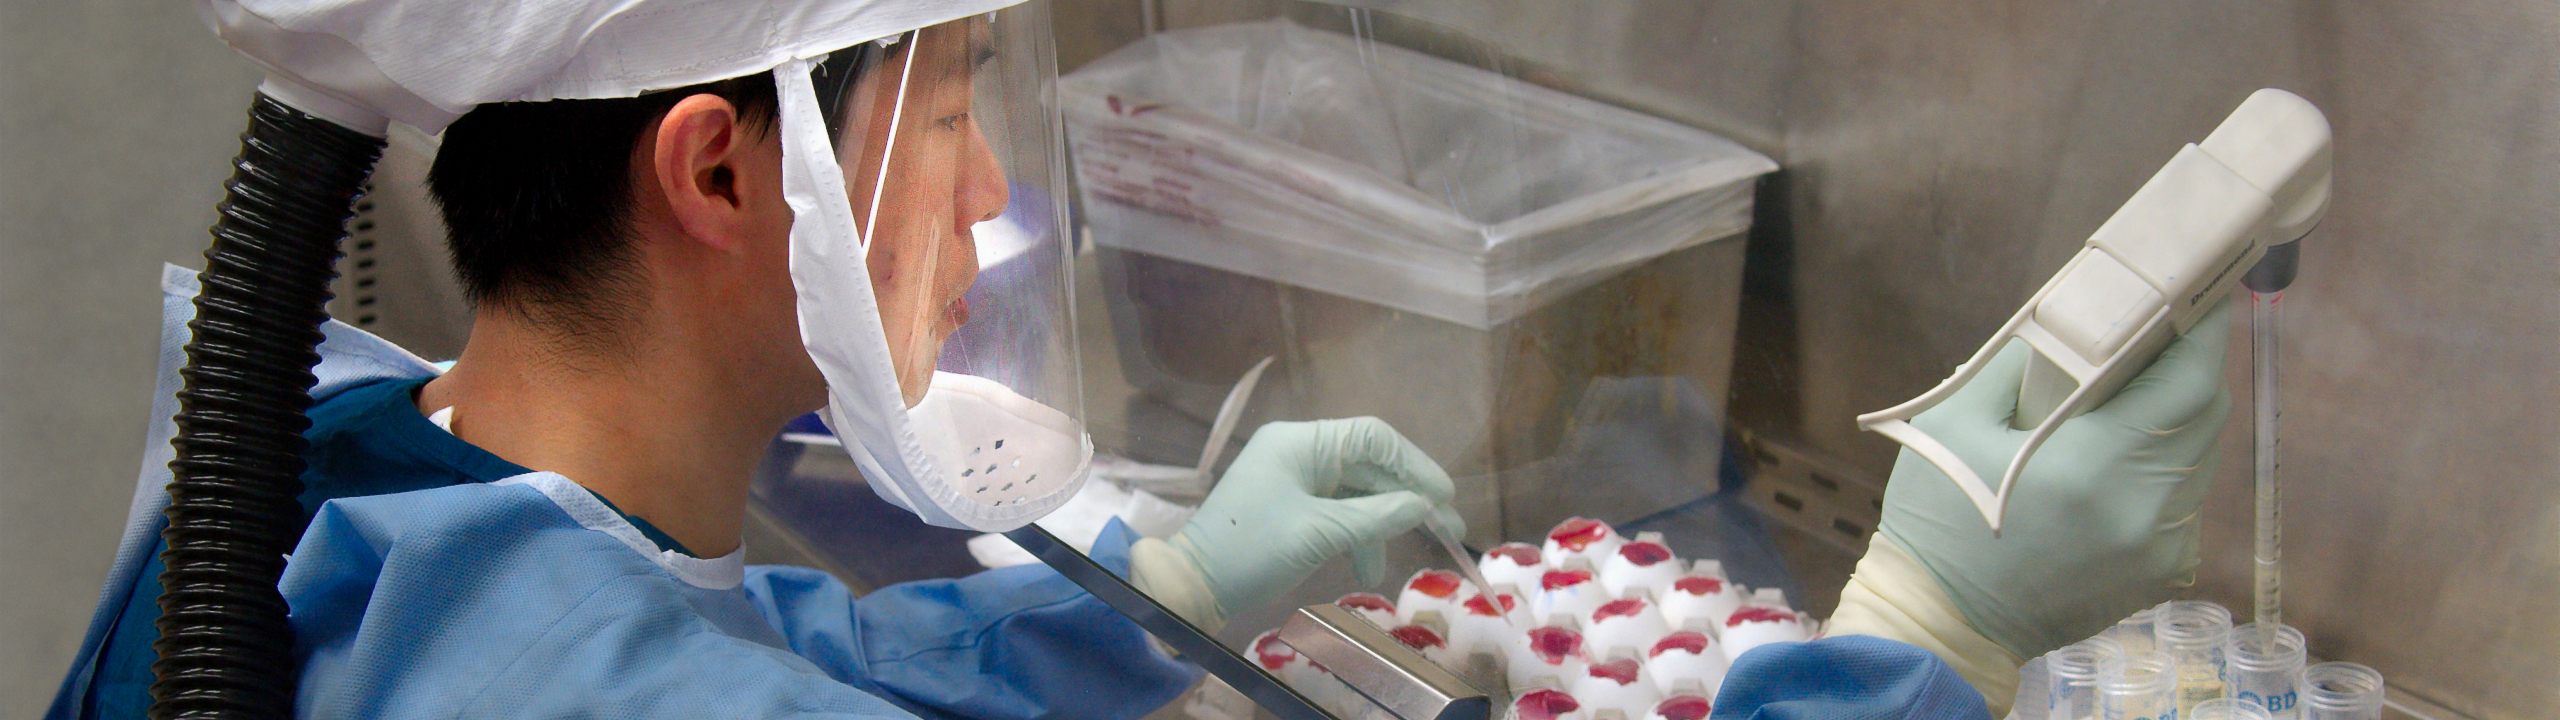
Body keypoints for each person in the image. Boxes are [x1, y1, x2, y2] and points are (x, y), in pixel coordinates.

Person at [50, 2, 1456, 718]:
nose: (991, 195)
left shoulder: (361, 459)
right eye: (954, 114)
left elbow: (763, 652)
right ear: (720, 175)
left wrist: (1161, 598)